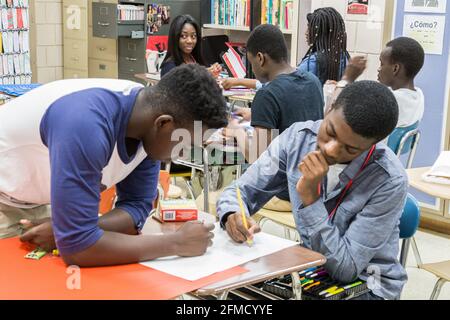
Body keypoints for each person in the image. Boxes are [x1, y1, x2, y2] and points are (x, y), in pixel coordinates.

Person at [0, 64, 228, 267]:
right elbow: (78, 250)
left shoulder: (148, 120)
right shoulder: (85, 124)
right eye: (185, 144)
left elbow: (137, 207)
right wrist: (175, 243)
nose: (181, 156)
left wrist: (77, 229)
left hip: (36, 200)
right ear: (164, 124)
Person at [217, 81, 409, 300]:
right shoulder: (297, 139)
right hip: (312, 268)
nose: (331, 149)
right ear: (330, 108)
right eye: (330, 131)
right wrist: (233, 214)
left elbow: (346, 269)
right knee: (229, 290)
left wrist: (310, 198)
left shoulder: (388, 179)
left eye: (350, 148)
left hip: (367, 285)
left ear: (372, 146)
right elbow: (241, 190)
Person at [225, 24, 324, 166]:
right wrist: (256, 114)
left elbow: (256, 158)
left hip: (280, 182)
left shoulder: (266, 94)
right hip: (310, 175)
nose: (252, 69)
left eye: (251, 63)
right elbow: (294, 115)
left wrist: (237, 131)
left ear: (260, 58)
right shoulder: (313, 81)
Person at [221, 7, 350, 89]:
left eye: (309, 28)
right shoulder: (344, 58)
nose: (306, 32)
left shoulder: (313, 63)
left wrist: (238, 81)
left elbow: (276, 84)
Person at [338, 37, 425, 129]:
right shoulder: (418, 95)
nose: (379, 69)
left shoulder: (388, 102)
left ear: (395, 68)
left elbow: (338, 119)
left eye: (382, 63)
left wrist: (346, 79)